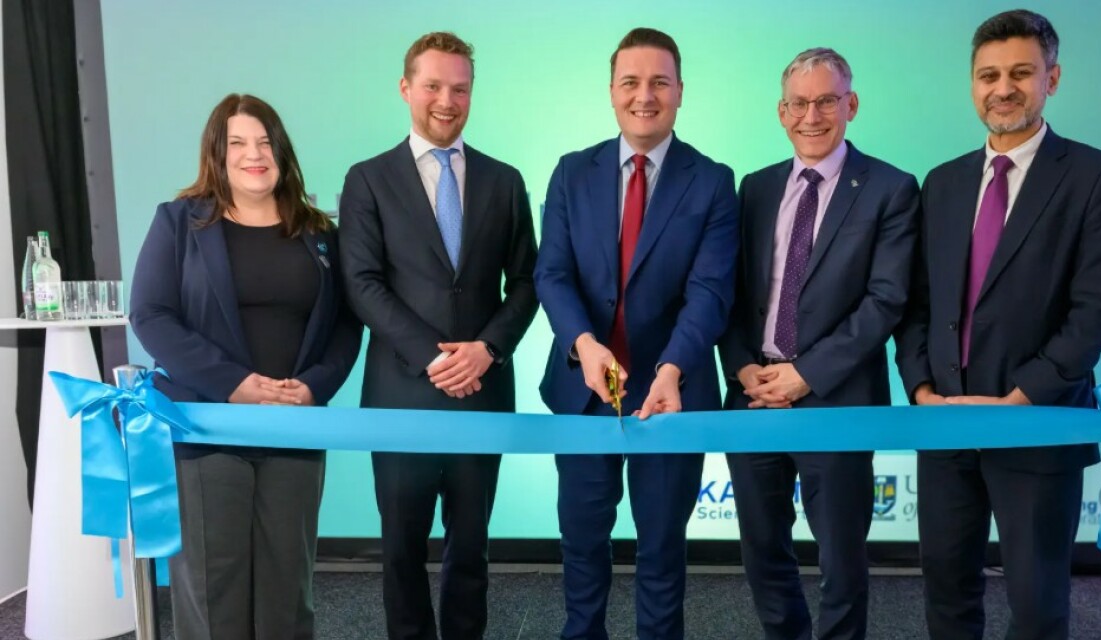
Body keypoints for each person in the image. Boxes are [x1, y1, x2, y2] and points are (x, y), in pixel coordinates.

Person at [894, 10, 1101, 639]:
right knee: (946, 594)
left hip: (1037, 420)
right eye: (989, 75)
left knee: (1035, 604)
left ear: (1051, 78)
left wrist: (1021, 397)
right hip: (946, 425)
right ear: (973, 85)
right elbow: (917, 302)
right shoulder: (942, 183)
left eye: (1021, 73)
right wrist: (923, 391)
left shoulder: (1096, 176)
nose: (1004, 88)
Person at [130, 93, 363, 639]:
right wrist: (233, 385)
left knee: (289, 590)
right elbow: (151, 315)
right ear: (217, 152)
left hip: (293, 431)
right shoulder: (179, 222)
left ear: (281, 150)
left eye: (263, 141)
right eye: (237, 142)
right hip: (208, 428)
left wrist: (313, 387)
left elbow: (347, 324)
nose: (252, 154)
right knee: (214, 591)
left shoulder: (320, 232)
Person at [533, 26, 738, 640]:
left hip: (671, 396)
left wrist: (672, 370)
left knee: (661, 549)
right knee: (583, 541)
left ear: (680, 92)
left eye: (659, 82)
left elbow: (710, 292)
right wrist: (584, 344)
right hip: (584, 391)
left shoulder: (712, 180)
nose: (644, 95)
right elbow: (552, 273)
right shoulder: (572, 172)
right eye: (631, 82)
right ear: (612, 91)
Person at [338, 31, 539, 640]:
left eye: (460, 87)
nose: (446, 100)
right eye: (433, 86)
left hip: (483, 390)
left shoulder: (505, 181)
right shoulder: (367, 179)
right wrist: (434, 358)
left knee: (471, 547)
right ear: (406, 89)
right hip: (401, 395)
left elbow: (529, 282)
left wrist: (487, 350)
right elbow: (363, 284)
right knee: (400, 550)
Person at [718, 47, 919, 640]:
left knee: (841, 559)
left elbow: (886, 300)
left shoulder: (891, 188)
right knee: (762, 548)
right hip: (754, 396)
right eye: (799, 103)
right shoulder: (754, 188)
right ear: (782, 112)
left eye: (826, 100)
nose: (813, 115)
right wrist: (739, 367)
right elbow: (729, 292)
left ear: (850, 104)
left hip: (837, 399)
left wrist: (805, 374)